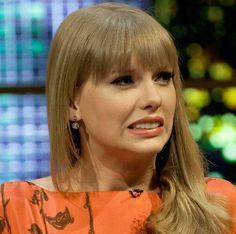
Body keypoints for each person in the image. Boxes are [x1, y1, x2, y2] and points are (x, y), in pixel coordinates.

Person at [0, 2, 236, 234]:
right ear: (72, 102)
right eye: (124, 80)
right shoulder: (17, 209)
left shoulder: (219, 206)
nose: (153, 98)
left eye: (163, 77)